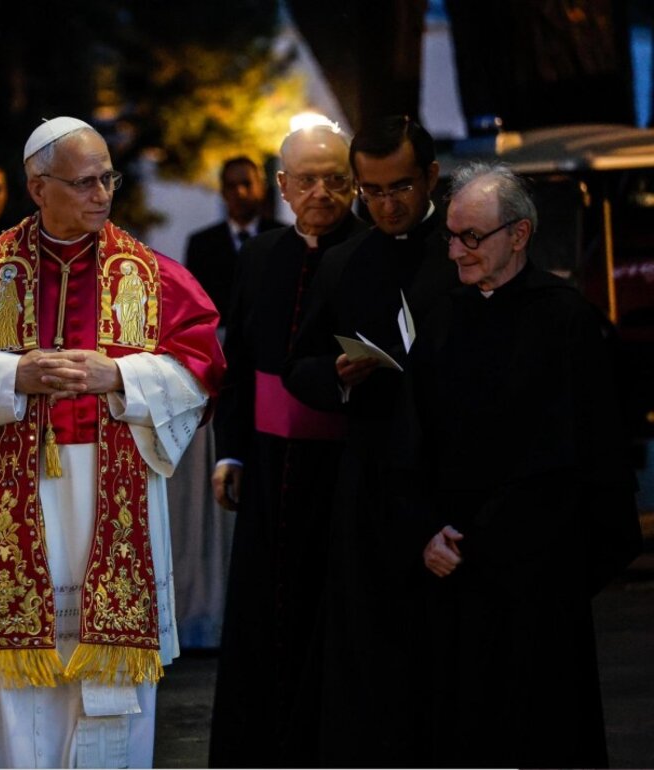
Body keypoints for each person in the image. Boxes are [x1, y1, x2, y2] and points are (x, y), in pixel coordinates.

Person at [0, 116, 225, 768]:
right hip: (12, 500)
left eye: (107, 178)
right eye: (83, 183)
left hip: (113, 500)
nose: (101, 194)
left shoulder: (152, 274)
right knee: (15, 690)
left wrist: (123, 375)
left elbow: (205, 359)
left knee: (108, 690)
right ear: (37, 186)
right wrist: (12, 373)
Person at [412, 162, 641, 768]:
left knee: (546, 731)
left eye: (472, 237)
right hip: (454, 567)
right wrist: (427, 528)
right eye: (451, 236)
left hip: (536, 573)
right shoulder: (441, 318)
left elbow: (572, 452)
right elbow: (416, 440)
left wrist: (484, 537)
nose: (457, 251)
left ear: (519, 234)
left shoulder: (566, 318)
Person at [281, 114, 460, 765]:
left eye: (401, 188)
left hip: (454, 479)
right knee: (374, 664)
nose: (386, 205)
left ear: (432, 177)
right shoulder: (345, 262)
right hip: (372, 488)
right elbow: (296, 365)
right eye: (372, 191)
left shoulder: (465, 245)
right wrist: (337, 376)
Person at [208, 121, 366, 768]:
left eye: (336, 179)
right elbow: (239, 363)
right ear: (283, 186)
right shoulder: (260, 254)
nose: (322, 192)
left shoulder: (373, 251)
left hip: (348, 471)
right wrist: (231, 451)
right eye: (307, 180)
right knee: (262, 622)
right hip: (270, 468)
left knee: (334, 622)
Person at [183, 155, 274, 331]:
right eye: (231, 186)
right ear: (223, 192)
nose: (239, 192)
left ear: (261, 188)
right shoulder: (201, 244)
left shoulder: (283, 237)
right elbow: (193, 304)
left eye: (246, 184)